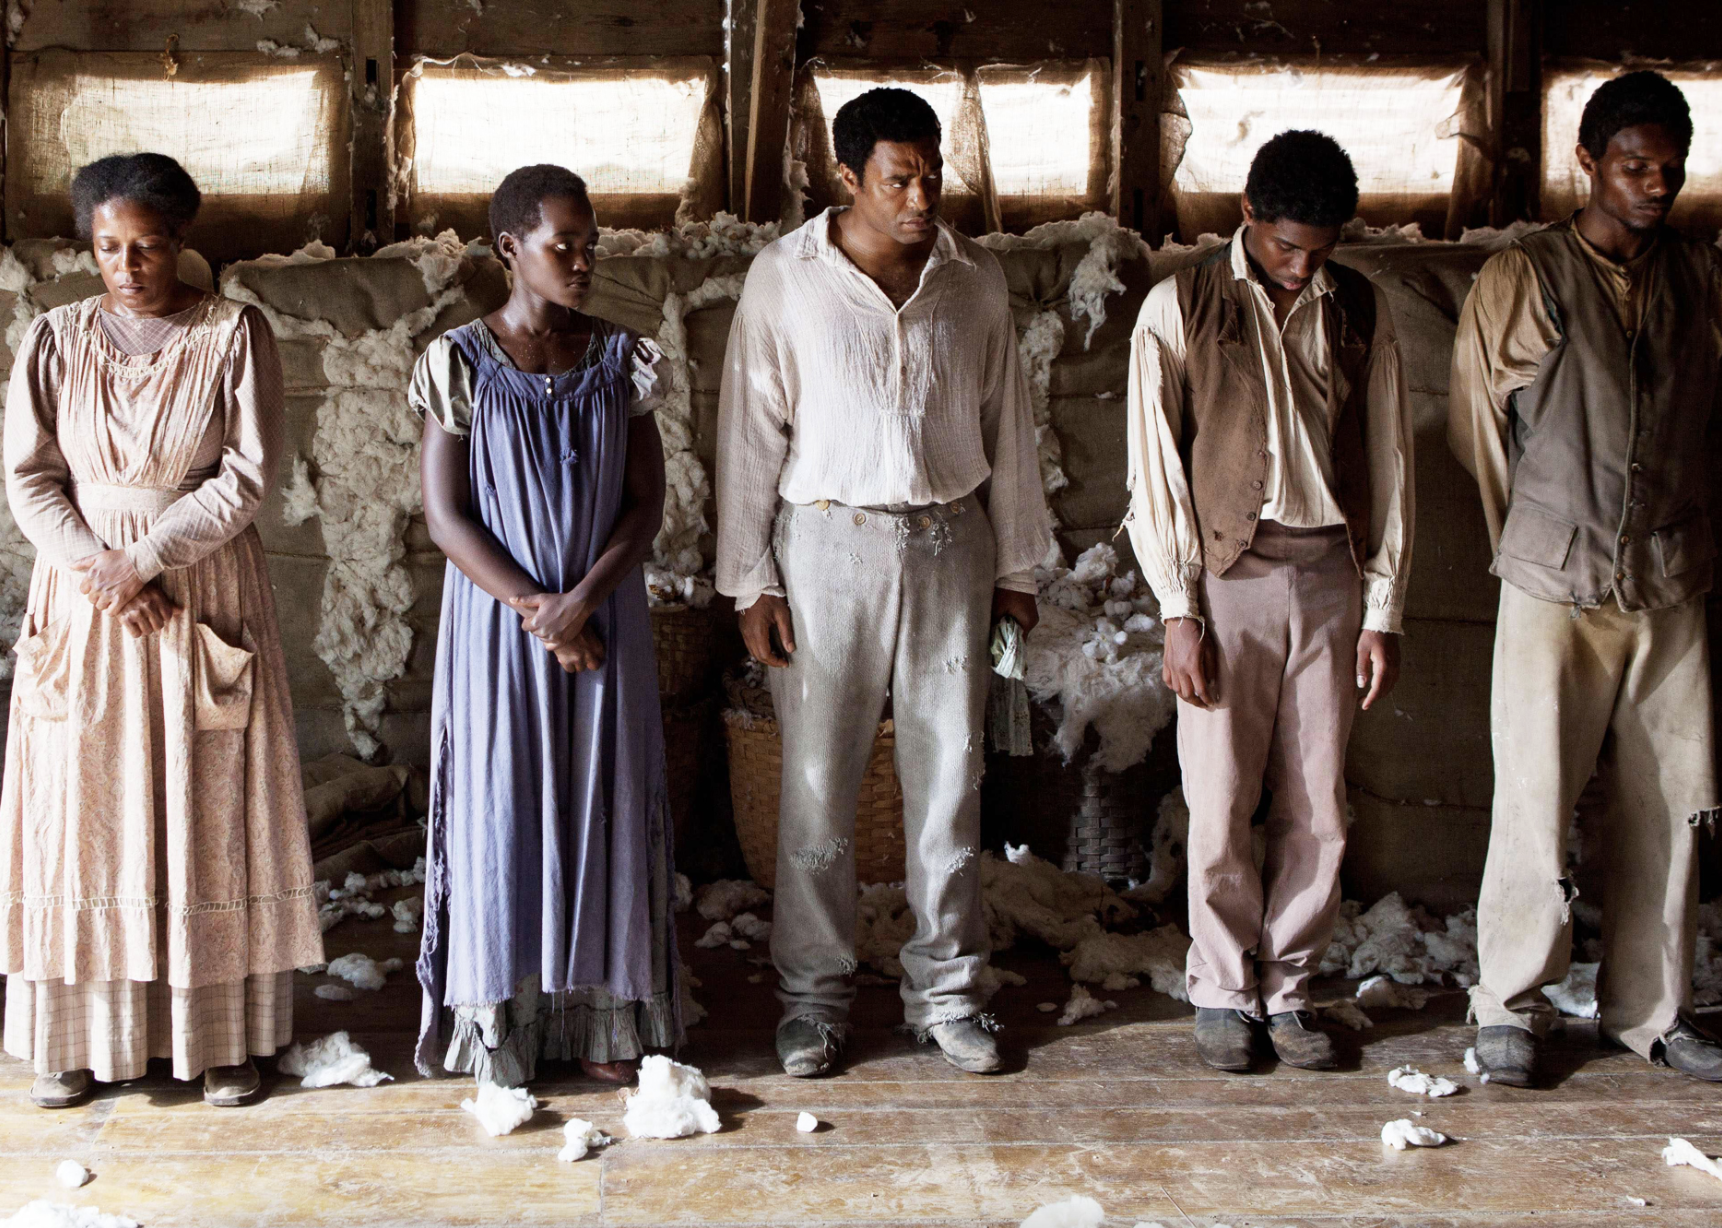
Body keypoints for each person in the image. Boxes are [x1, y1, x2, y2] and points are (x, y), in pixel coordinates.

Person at [715, 87, 1052, 1077]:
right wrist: (750, 583)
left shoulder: (974, 282)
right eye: (898, 178)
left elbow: (1010, 433)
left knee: (950, 780)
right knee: (816, 785)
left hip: (954, 545)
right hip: (826, 549)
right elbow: (748, 437)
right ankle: (814, 997)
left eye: (932, 174)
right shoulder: (786, 280)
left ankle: (946, 990)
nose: (921, 196)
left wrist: (1020, 568)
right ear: (847, 178)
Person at [0, 153, 323, 1108]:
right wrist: (99, 566)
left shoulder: (232, 333)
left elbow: (249, 475)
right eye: (108, 249)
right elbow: (29, 477)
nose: (128, 266)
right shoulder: (53, 340)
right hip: (83, 598)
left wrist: (145, 560)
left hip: (199, 588)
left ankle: (217, 1038)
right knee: (83, 809)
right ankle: (78, 1040)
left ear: (181, 244)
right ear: (87, 248)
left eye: (146, 247)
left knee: (206, 803)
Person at [1450, 70, 1722, 1087]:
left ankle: (1650, 1012)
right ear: (1589, 162)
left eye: (1670, 167)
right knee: (1533, 796)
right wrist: (1536, 540)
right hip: (1553, 578)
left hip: (1671, 574)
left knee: (1673, 800)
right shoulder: (1528, 275)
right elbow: (1481, 432)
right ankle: (1509, 1005)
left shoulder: (1698, 277)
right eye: (1633, 165)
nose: (1655, 184)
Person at [1124, 131, 1414, 1072]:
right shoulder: (1181, 306)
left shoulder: (1358, 308)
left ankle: (1288, 990)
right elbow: (1155, 470)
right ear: (1246, 216)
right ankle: (1220, 989)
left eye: (1320, 251)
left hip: (1330, 575)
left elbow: (1391, 464)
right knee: (1218, 803)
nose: (1301, 268)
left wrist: (1382, 608)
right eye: (1287, 246)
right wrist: (1178, 607)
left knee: (1319, 807)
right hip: (1227, 577)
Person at [412, 164, 681, 1087]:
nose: (580, 260)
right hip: (499, 632)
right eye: (561, 245)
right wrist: (540, 610)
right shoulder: (458, 362)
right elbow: (446, 517)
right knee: (506, 803)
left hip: (606, 622)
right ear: (508, 250)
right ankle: (511, 1026)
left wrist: (584, 602)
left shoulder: (622, 358)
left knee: (604, 795)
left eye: (590, 244)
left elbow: (645, 506)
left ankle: (607, 1016)